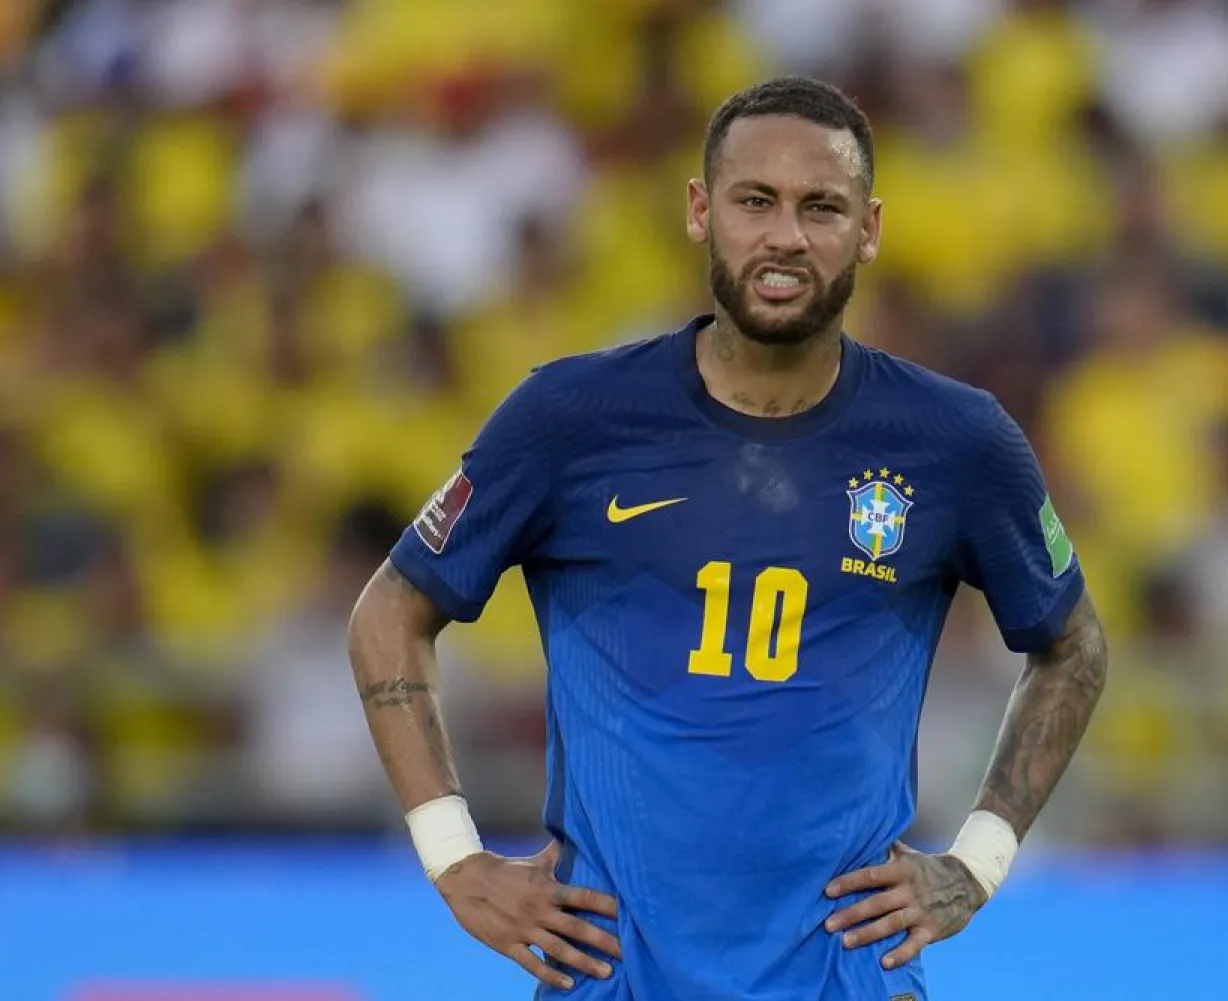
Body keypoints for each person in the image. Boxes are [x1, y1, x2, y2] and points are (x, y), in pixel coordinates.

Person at [347, 76, 1108, 1000]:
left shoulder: (957, 441)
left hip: (843, 978)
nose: (785, 235)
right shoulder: (569, 417)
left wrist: (978, 860)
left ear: (868, 228)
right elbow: (391, 610)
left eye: (820, 206)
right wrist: (455, 859)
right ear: (702, 212)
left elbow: (1073, 646)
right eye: (756, 201)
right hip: (612, 976)